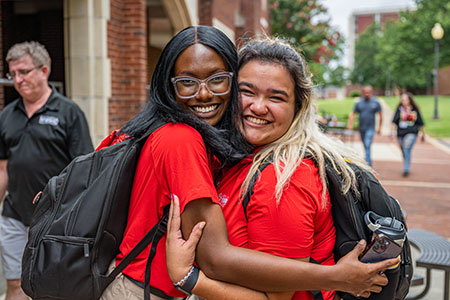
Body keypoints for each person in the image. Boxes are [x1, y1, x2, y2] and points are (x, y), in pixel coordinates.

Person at [99, 26, 397, 300]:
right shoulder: (226, 153)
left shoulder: (284, 178)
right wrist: (335, 277)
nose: (258, 106)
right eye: (247, 91)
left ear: (299, 106)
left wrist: (189, 279)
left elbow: (273, 295)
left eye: (276, 97)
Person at [0, 41, 93, 300]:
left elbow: (83, 171)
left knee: (51, 288)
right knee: (15, 282)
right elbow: (3, 167)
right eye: (12, 74)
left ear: (44, 70)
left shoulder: (69, 113)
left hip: (54, 218)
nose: (17, 80)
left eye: (24, 72)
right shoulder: (7, 115)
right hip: (13, 216)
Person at [391, 92, 425, 177]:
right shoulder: (399, 109)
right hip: (400, 133)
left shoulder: (414, 110)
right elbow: (394, 121)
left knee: (407, 148)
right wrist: (392, 132)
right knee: (403, 150)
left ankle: (406, 169)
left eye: (405, 99)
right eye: (402, 99)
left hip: (411, 132)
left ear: (409, 100)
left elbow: (420, 123)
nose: (403, 101)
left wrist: (423, 134)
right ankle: (406, 160)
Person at [347, 85, 382, 166]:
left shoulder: (376, 102)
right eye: (365, 92)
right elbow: (353, 114)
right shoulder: (359, 103)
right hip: (361, 128)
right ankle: (368, 159)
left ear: (371, 92)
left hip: (371, 128)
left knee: (367, 143)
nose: (367, 94)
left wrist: (379, 127)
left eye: (368, 92)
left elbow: (380, 115)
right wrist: (350, 124)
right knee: (365, 145)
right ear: (362, 93)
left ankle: (368, 163)